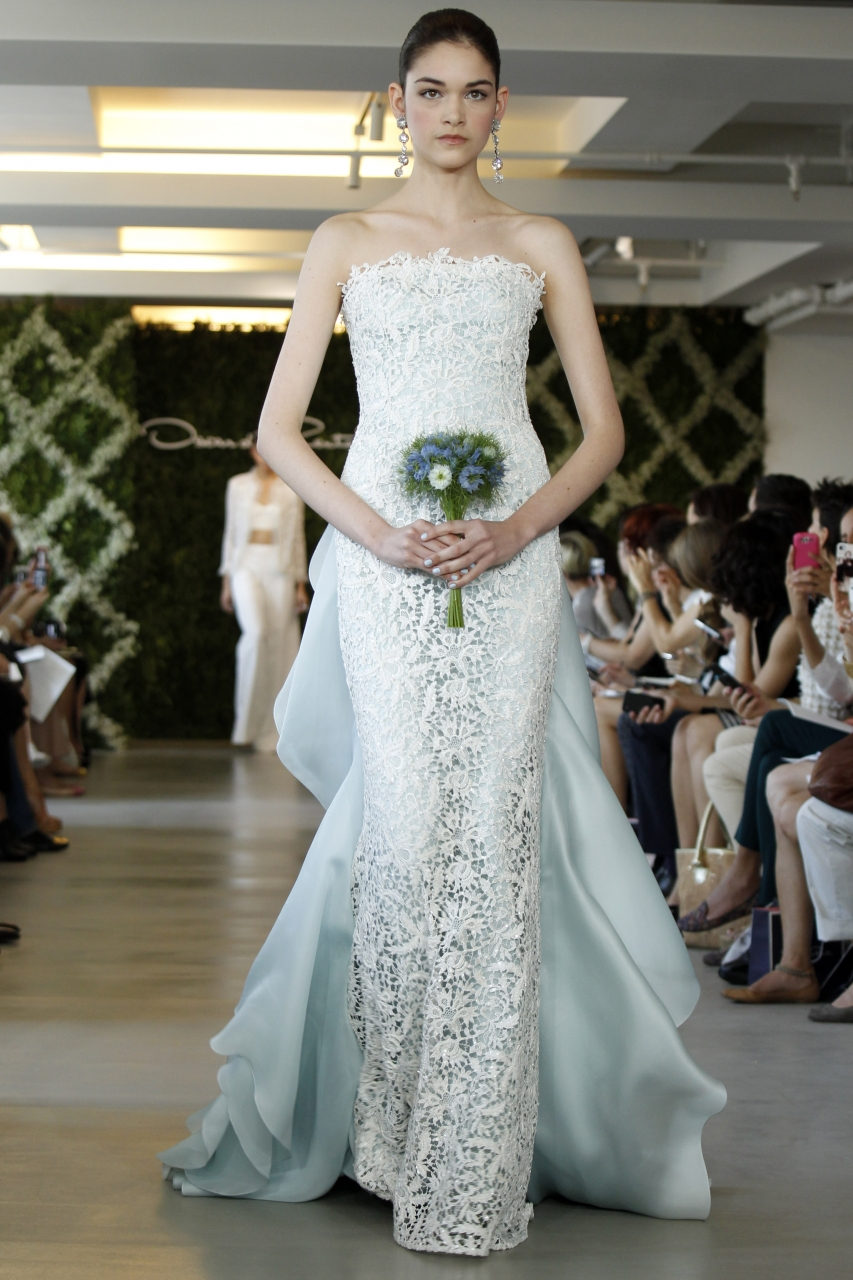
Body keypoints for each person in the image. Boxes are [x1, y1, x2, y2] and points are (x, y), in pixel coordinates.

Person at [160, 10, 724, 1256]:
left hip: (510, 569)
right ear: (397, 101)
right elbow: (278, 431)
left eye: (474, 92)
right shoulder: (345, 240)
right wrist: (375, 534)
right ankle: (389, 1127)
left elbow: (603, 433)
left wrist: (517, 528)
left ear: (500, 105)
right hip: (385, 572)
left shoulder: (539, 242)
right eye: (430, 90)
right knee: (409, 831)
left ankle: (472, 1157)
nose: (452, 112)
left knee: (493, 840)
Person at [219, 433, 309, 750]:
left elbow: (297, 538)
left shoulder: (291, 488)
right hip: (245, 566)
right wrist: (226, 581)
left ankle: (274, 730)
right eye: (259, 450)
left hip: (279, 569)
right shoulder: (237, 485)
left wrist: (300, 583)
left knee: (279, 645)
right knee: (256, 635)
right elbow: (230, 533)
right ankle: (246, 725)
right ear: (252, 452)